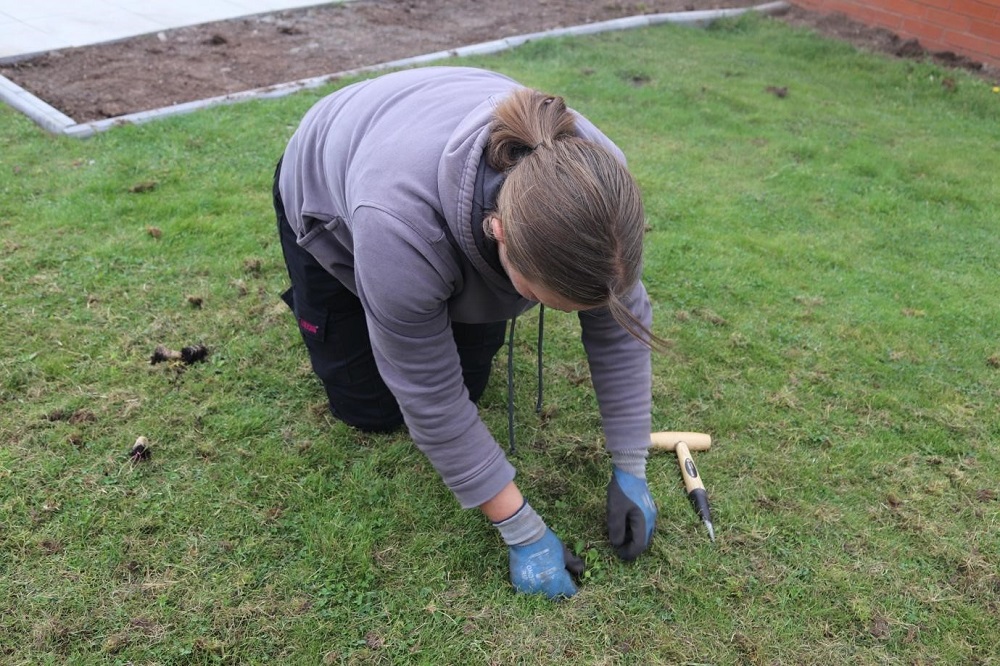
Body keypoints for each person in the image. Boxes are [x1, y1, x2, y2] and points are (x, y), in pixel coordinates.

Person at [274, 66, 661, 599]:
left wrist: (631, 464)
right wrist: (521, 529)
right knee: (375, 410)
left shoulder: (598, 183)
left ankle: (400, 307)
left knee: (473, 388)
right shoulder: (399, 224)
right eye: (553, 301)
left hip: (428, 142)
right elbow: (429, 395)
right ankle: (343, 308)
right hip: (330, 180)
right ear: (500, 232)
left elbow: (619, 327)